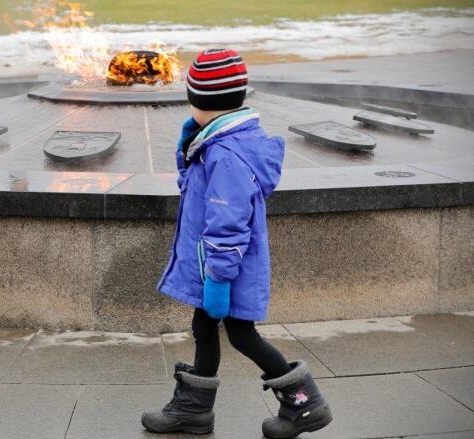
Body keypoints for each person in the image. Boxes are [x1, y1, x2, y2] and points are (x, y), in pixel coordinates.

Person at [141, 48, 332, 438]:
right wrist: (189, 147)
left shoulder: (225, 155)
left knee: (242, 335)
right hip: (217, 265)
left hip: (225, 269)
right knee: (205, 327)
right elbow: (198, 193)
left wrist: (218, 280)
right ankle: (194, 411)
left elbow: (227, 223)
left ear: (202, 103)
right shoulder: (221, 142)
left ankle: (305, 404)